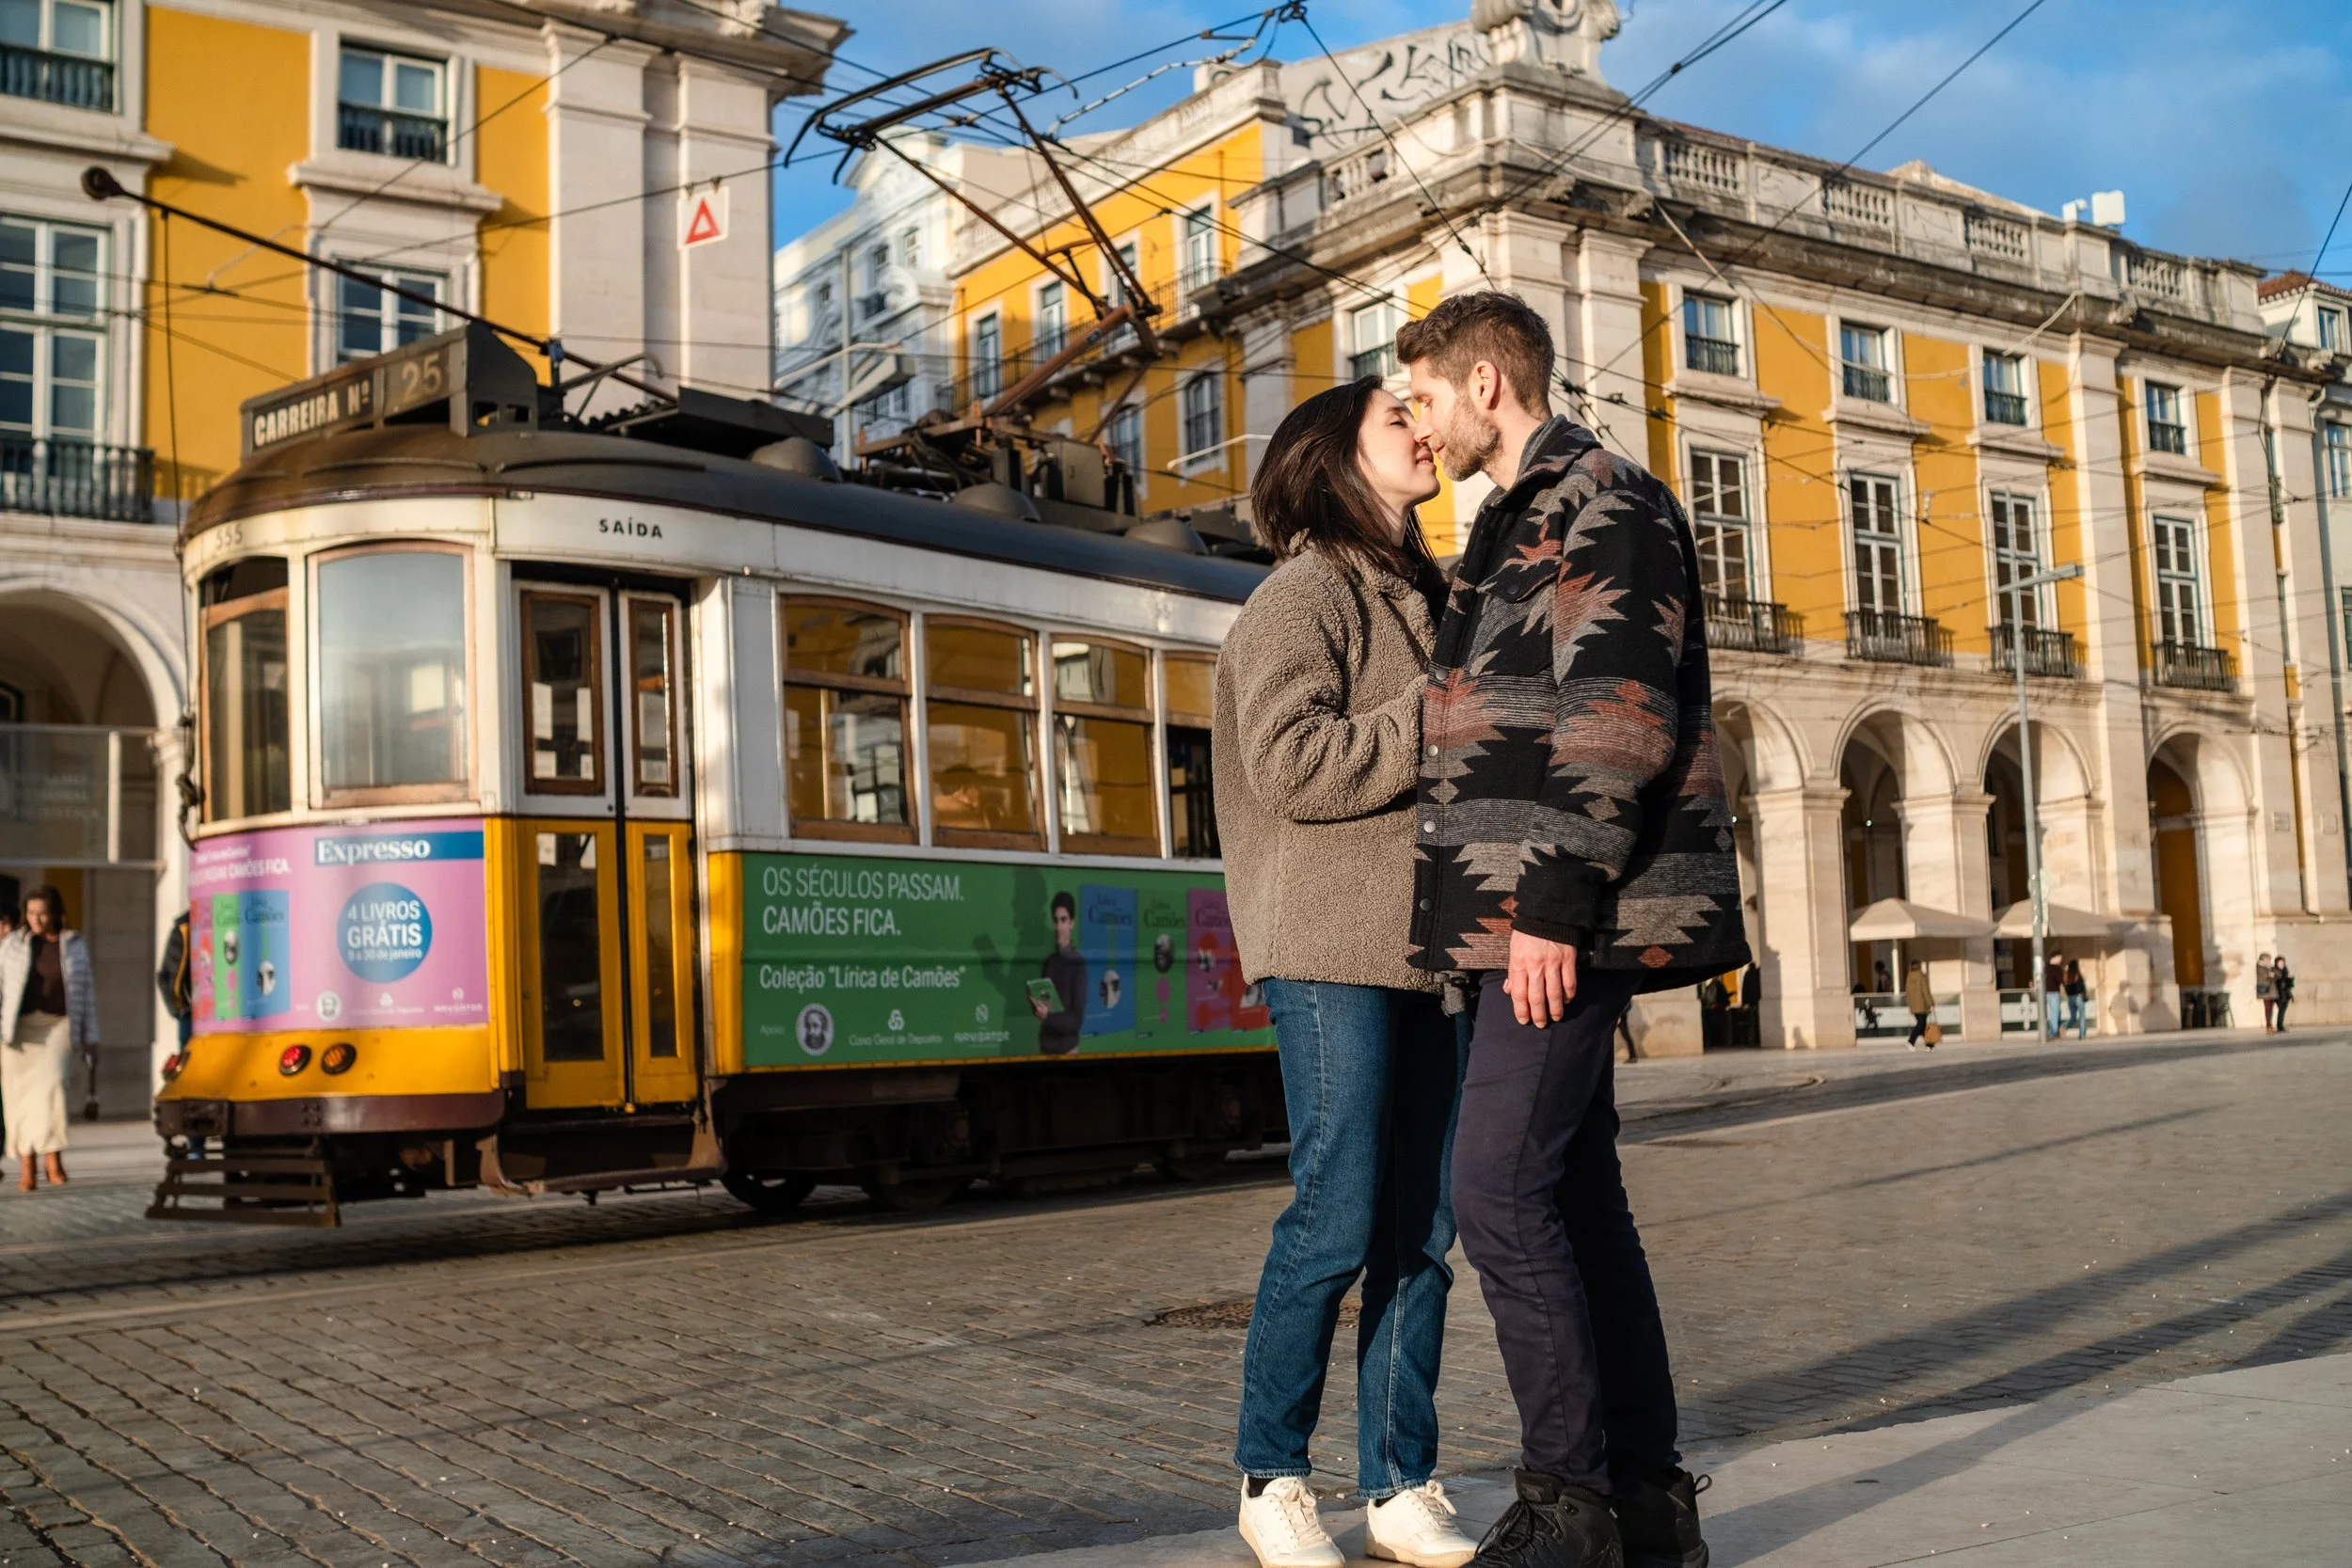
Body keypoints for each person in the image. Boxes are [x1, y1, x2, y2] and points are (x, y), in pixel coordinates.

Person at [1401, 291, 1747, 1568]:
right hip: (1532, 913)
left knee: (1493, 1189)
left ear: (1486, 381)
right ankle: (1647, 1501)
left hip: (1564, 915)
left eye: (1425, 395)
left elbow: (1617, 708)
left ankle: (1569, 1503)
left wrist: (1548, 901)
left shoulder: (1598, 497)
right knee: (1575, 1195)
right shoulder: (1510, 522)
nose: (1417, 421)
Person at [1213, 375, 1478, 1568]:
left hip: (1434, 952)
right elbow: (1291, 767)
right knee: (1334, 1212)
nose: (1423, 434)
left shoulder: (1431, 597)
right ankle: (1272, 1475)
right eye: (1394, 421)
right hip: (1329, 943)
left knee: (1421, 1224)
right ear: (1331, 456)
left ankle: (1399, 1481)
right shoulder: (1300, 593)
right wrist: (1436, 718)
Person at [2, 885, 94, 1192]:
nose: (37, 920)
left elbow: (88, 993)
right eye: (31, 913)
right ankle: (27, 1166)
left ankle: (53, 1157)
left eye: (43, 913)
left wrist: (92, 1035)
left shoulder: (74, 944)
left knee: (54, 1088)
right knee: (19, 1100)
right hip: (19, 1031)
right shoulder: (13, 944)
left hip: (58, 1026)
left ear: (55, 913)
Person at [1030, 892, 1086, 1056]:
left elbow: (1076, 1021)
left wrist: (1048, 1016)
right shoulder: (1049, 961)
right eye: (1055, 920)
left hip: (1067, 1050)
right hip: (1046, 1047)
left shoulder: (1078, 964)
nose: (1058, 927)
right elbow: (1045, 1004)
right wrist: (1034, 1004)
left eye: (1064, 920)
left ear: (1072, 923)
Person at [1902, 960, 1935, 1050]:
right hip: (1922, 1005)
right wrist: (1931, 1003)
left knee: (1922, 1025)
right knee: (1920, 1025)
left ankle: (1929, 1045)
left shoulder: (1909, 977)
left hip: (1914, 1005)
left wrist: (1910, 1004)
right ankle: (1910, 1042)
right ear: (1920, 966)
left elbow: (1908, 992)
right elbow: (1925, 991)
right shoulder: (1921, 976)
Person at [2042, 949, 2066, 1039]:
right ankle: (2052, 1032)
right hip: (2054, 993)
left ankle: (2053, 1031)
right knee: (2054, 1013)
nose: (2061, 960)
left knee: (2054, 1013)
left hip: (2045, 993)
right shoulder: (2057, 969)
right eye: (2060, 958)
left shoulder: (2045, 968)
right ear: (2056, 957)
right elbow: (2061, 981)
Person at [2062, 957, 2088, 1039]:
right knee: (2082, 1016)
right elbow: (2081, 987)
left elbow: (2065, 987)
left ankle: (2064, 1026)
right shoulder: (2078, 975)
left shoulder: (2066, 976)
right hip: (2078, 997)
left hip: (2070, 998)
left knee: (2073, 1018)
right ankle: (2082, 1035)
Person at [2272, 956, 2295, 1032]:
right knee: (2281, 1010)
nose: (2282, 964)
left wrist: (2291, 978)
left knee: (2282, 1011)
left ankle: (2280, 1025)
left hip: (2286, 994)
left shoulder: (2286, 971)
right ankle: (2279, 1026)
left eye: (2283, 962)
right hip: (2278, 994)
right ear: (2276, 963)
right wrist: (2282, 977)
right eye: (2280, 963)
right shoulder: (2274, 970)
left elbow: (2290, 985)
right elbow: (2275, 981)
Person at [2255, 953, 2276, 1032]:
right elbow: (2266, 977)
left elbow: (2274, 975)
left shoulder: (2270, 967)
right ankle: (2268, 1025)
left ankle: (2270, 1024)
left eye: (2269, 959)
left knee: (2271, 1009)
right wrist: (2270, 974)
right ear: (2262, 959)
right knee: (2267, 1008)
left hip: (2272, 990)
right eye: (2267, 959)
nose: (2269, 961)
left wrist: (2271, 973)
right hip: (2265, 990)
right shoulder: (2260, 966)